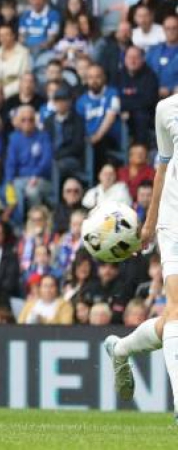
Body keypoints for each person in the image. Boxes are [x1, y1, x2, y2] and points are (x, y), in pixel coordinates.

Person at [104, 91, 178, 412]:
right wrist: (149, 224)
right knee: (177, 308)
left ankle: (121, 349)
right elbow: (163, 167)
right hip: (175, 221)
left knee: (172, 319)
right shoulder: (167, 109)